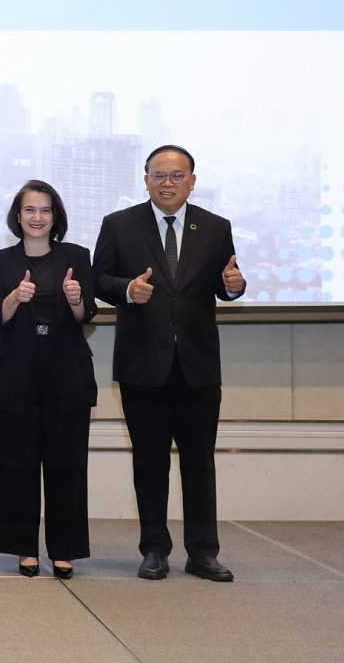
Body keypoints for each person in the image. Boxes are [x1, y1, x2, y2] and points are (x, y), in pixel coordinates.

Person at [93, 144, 246, 583]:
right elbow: (97, 279)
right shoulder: (119, 224)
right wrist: (127, 290)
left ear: (192, 182)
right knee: (150, 463)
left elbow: (225, 282)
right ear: (145, 180)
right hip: (143, 365)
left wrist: (234, 286)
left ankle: (203, 553)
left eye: (177, 175)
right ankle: (154, 550)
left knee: (200, 463)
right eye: (158, 175)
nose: (167, 183)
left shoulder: (215, 227)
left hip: (198, 366)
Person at [0, 180, 97, 579]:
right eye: (30, 210)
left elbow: (87, 316)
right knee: (16, 465)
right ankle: (25, 549)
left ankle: (65, 550)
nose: (37, 217)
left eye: (45, 210)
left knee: (68, 465)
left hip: (67, 374)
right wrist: (15, 297)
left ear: (55, 217)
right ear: (18, 216)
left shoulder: (77, 257)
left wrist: (76, 298)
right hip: (15, 374)